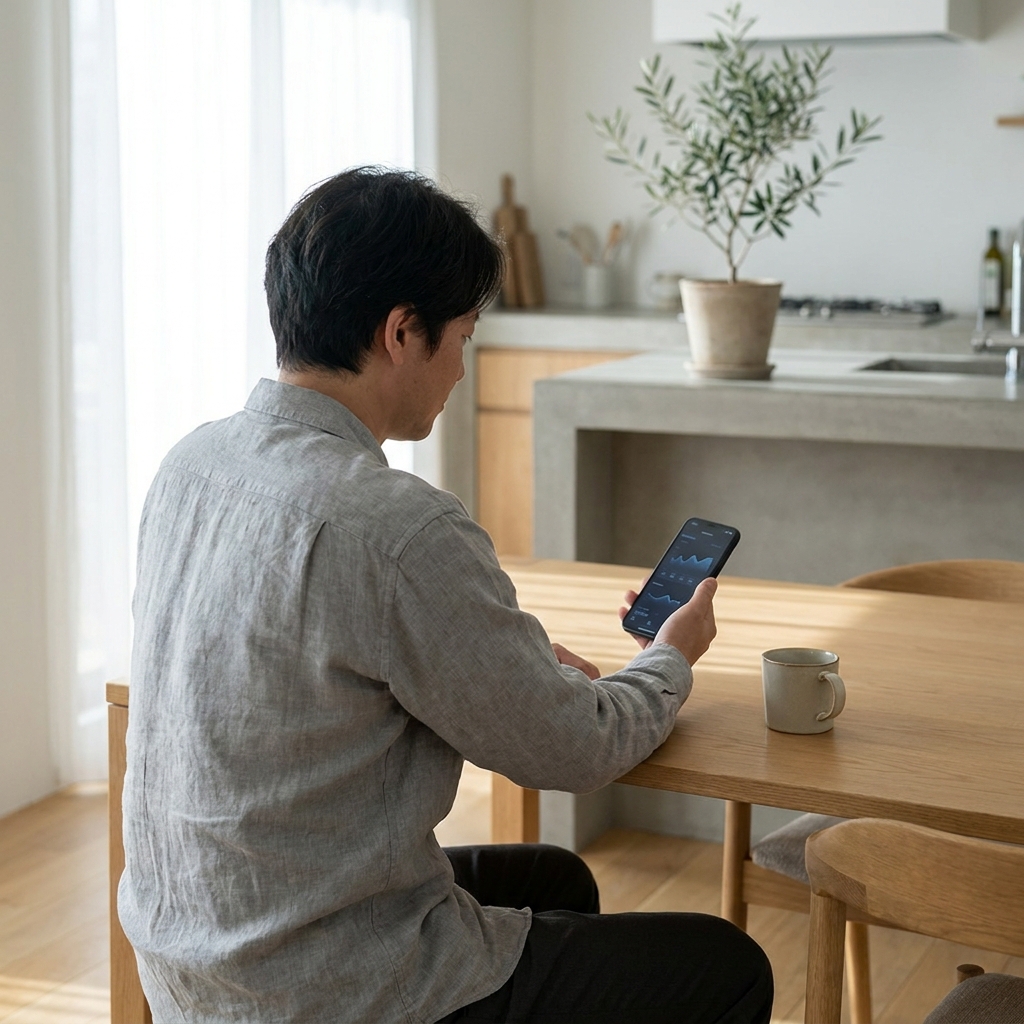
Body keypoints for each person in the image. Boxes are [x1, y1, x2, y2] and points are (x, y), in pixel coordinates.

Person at [120, 167, 773, 1024]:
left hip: (194, 962)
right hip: (328, 991)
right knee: (726, 965)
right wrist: (671, 655)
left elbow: (310, 669)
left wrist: (514, 667)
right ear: (402, 331)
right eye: (463, 336)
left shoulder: (190, 465)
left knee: (555, 879)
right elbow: (578, 752)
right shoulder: (397, 527)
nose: (464, 368)